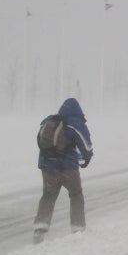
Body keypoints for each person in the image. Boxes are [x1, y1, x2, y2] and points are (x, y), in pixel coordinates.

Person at [33, 98, 94, 244]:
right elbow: (86, 146)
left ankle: (40, 227)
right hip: (67, 167)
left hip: (47, 166)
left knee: (48, 195)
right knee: (76, 194)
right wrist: (86, 160)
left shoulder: (48, 121)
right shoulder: (75, 123)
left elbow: (41, 143)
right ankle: (78, 227)